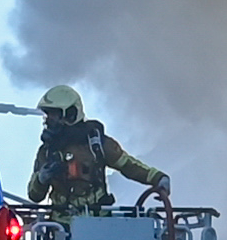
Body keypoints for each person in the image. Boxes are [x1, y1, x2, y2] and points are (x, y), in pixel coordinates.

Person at [24, 82, 173, 217]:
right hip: (60, 228)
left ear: (70, 114)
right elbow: (34, 195)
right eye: (47, 115)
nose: (49, 120)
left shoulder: (96, 144)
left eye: (54, 115)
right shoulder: (47, 151)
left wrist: (157, 177)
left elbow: (128, 165)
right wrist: (41, 178)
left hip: (97, 223)